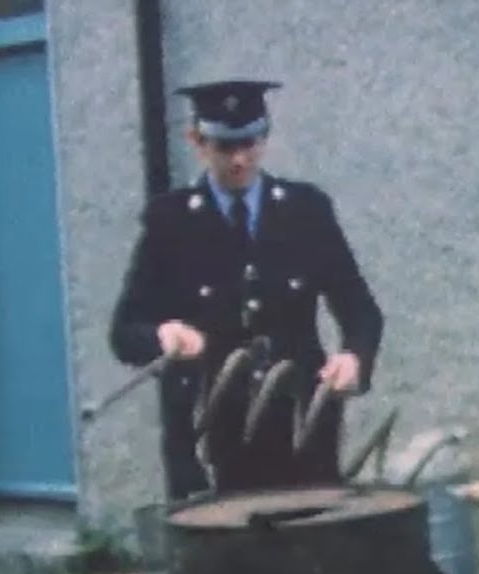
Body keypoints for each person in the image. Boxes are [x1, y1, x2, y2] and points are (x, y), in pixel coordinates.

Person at [110, 79, 384, 500]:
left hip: (301, 432)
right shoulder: (171, 222)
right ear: (197, 143)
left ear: (265, 137)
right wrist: (161, 335)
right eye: (223, 147)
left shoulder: (305, 210)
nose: (239, 160)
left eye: (249, 143)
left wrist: (354, 358)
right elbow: (124, 331)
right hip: (209, 441)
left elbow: (361, 311)